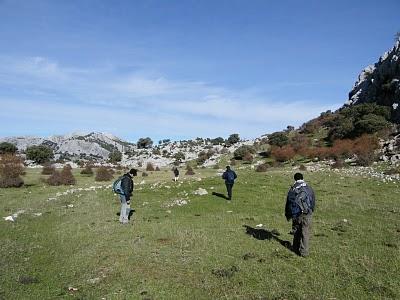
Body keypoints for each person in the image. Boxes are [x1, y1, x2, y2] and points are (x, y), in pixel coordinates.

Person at [285, 172, 316, 257]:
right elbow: (313, 201)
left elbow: (289, 202)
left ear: (295, 179)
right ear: (303, 178)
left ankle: (295, 249)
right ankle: (304, 252)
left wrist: (288, 215)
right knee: (305, 232)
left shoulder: (293, 189)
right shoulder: (309, 188)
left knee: (296, 231)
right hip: (307, 213)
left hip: (296, 214)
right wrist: (311, 210)